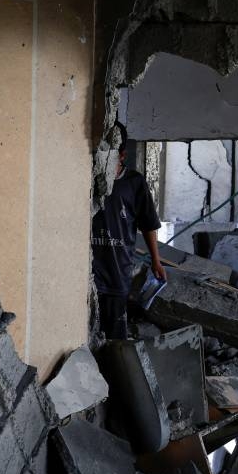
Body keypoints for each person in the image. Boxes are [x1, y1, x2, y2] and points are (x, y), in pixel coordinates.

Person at [91, 123, 166, 341]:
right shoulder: (88, 180)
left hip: (117, 273)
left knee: (113, 337)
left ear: (122, 155)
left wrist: (156, 260)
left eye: (111, 156)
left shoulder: (134, 183)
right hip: (90, 272)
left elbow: (149, 224)